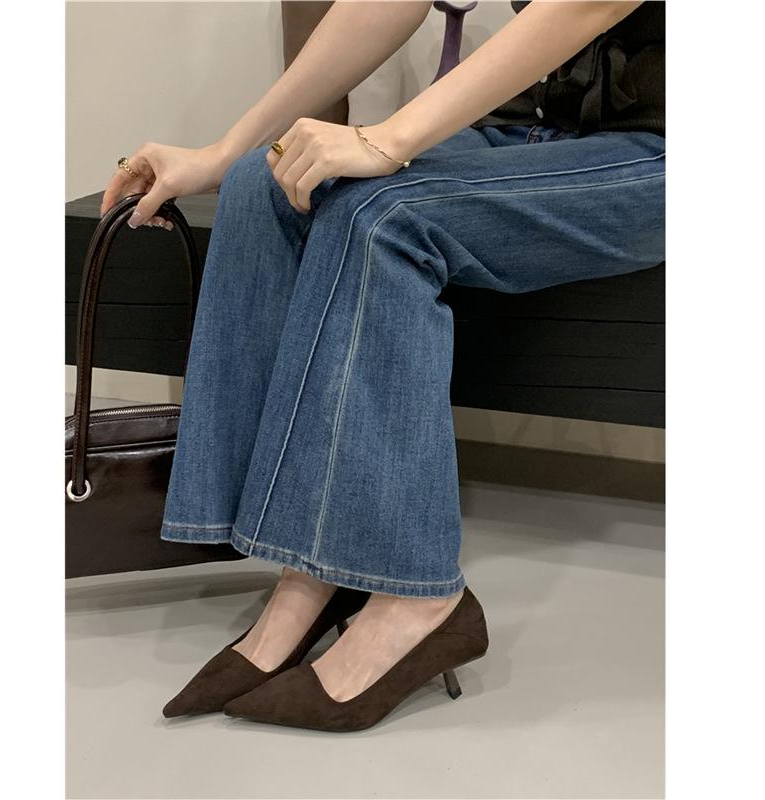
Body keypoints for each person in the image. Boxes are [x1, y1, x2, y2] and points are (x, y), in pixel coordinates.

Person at [101, 0, 664, 733]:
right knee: (258, 183)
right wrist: (223, 148)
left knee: (383, 218)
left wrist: (386, 139)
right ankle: (309, 571)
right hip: (534, 123)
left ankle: (416, 596)